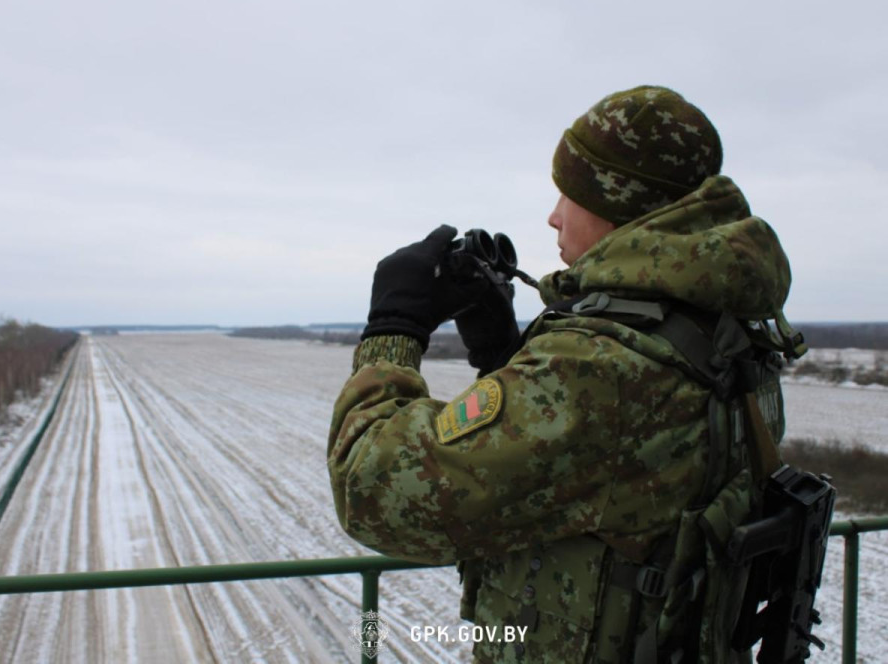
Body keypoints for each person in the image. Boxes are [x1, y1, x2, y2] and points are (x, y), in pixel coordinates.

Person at [327, 85, 794, 662]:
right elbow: (603, 469)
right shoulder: (731, 329)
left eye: (569, 195)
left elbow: (371, 490)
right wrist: (505, 355)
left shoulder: (602, 369)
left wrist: (392, 329)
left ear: (621, 207)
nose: (553, 216)